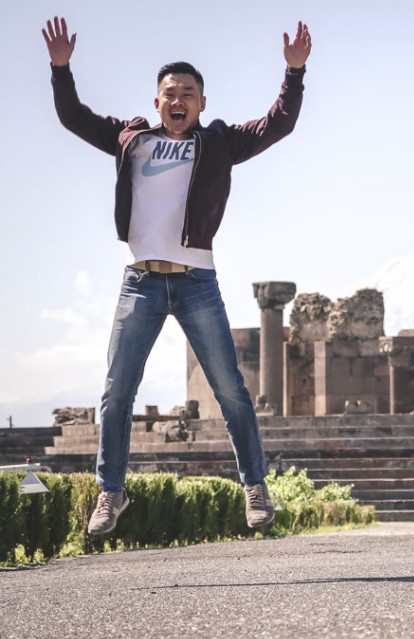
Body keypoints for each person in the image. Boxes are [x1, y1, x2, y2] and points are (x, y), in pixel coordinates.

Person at [41, 16, 312, 535]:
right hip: (139, 281)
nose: (179, 99)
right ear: (158, 100)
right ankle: (111, 493)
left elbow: (278, 123)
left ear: (202, 103)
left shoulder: (220, 143)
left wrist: (293, 74)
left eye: (189, 92)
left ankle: (254, 486)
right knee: (117, 391)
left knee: (231, 390)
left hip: (196, 282)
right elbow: (74, 116)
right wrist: (60, 68)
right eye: (170, 92)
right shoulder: (131, 139)